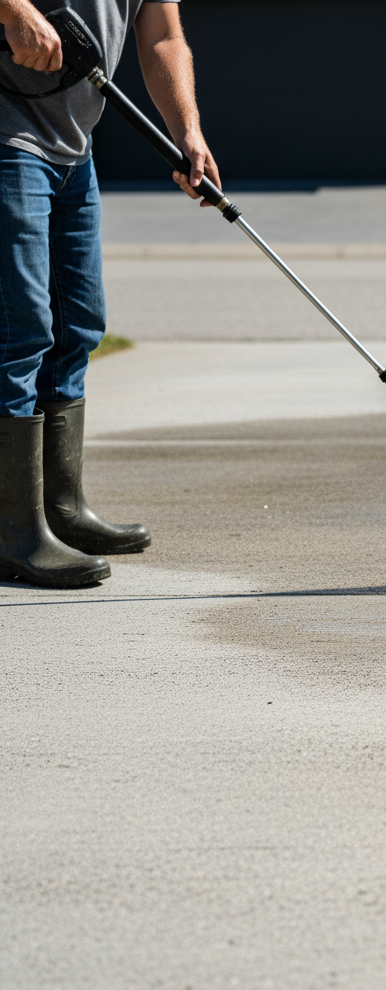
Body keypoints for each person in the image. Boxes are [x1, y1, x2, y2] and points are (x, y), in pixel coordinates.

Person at [0, 0, 219, 586]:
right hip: (9, 136)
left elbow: (161, 37)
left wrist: (188, 131)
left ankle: (60, 511)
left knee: (77, 328)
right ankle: (13, 531)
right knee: (18, 332)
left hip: (74, 148)